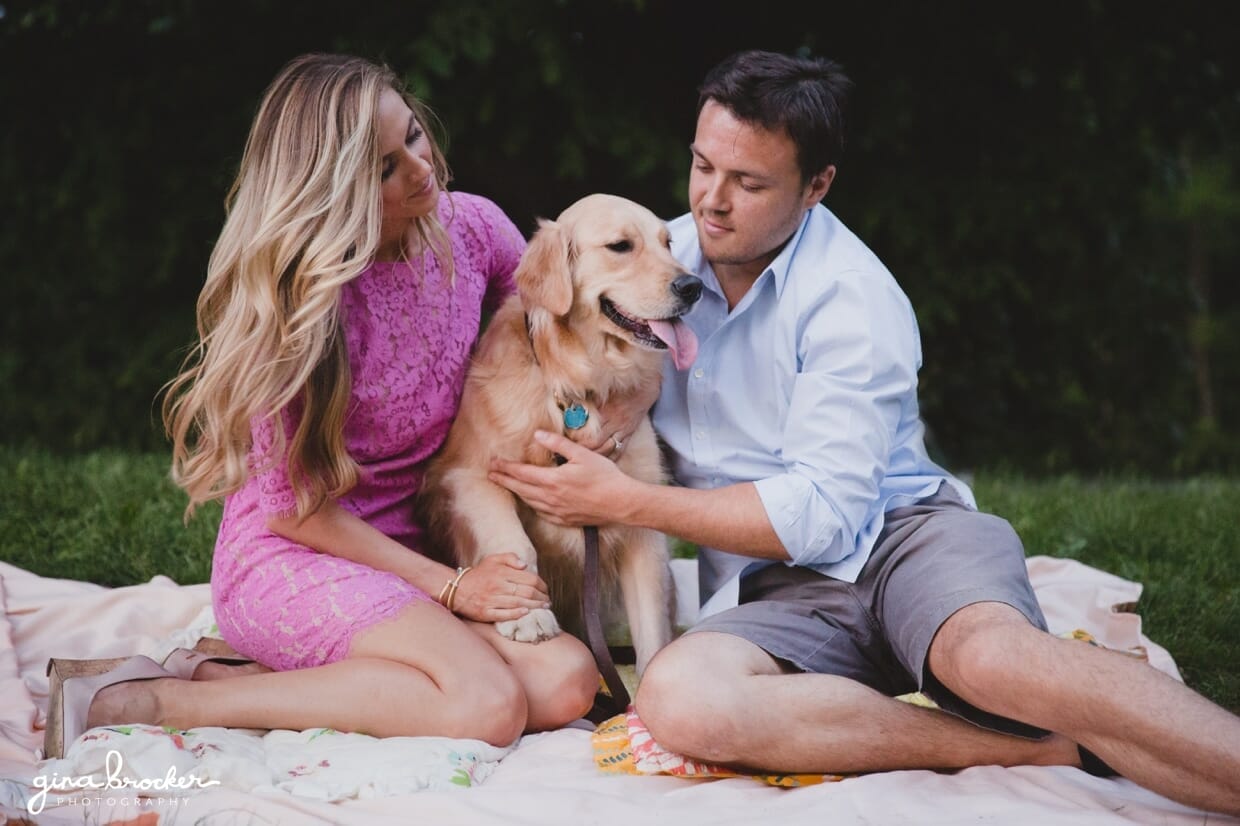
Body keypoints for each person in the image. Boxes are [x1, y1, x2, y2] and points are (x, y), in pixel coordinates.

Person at [488, 50, 1240, 815]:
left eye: (748, 183)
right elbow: (558, 333)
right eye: (702, 165)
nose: (711, 202)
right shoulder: (654, 258)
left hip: (902, 537)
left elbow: (824, 516)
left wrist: (624, 501)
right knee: (681, 701)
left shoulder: (855, 301)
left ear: (816, 187)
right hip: (769, 591)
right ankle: (1023, 748)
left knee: (991, 661)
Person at [45, 53, 607, 757]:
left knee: (566, 681)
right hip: (295, 554)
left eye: (413, 136)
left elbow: (539, 355)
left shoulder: (477, 233)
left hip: (416, 537)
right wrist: (454, 588)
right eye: (382, 169)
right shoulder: (301, 307)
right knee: (485, 704)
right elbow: (294, 510)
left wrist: (586, 434)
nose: (419, 168)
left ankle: (238, 670)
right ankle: (159, 699)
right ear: (331, 193)